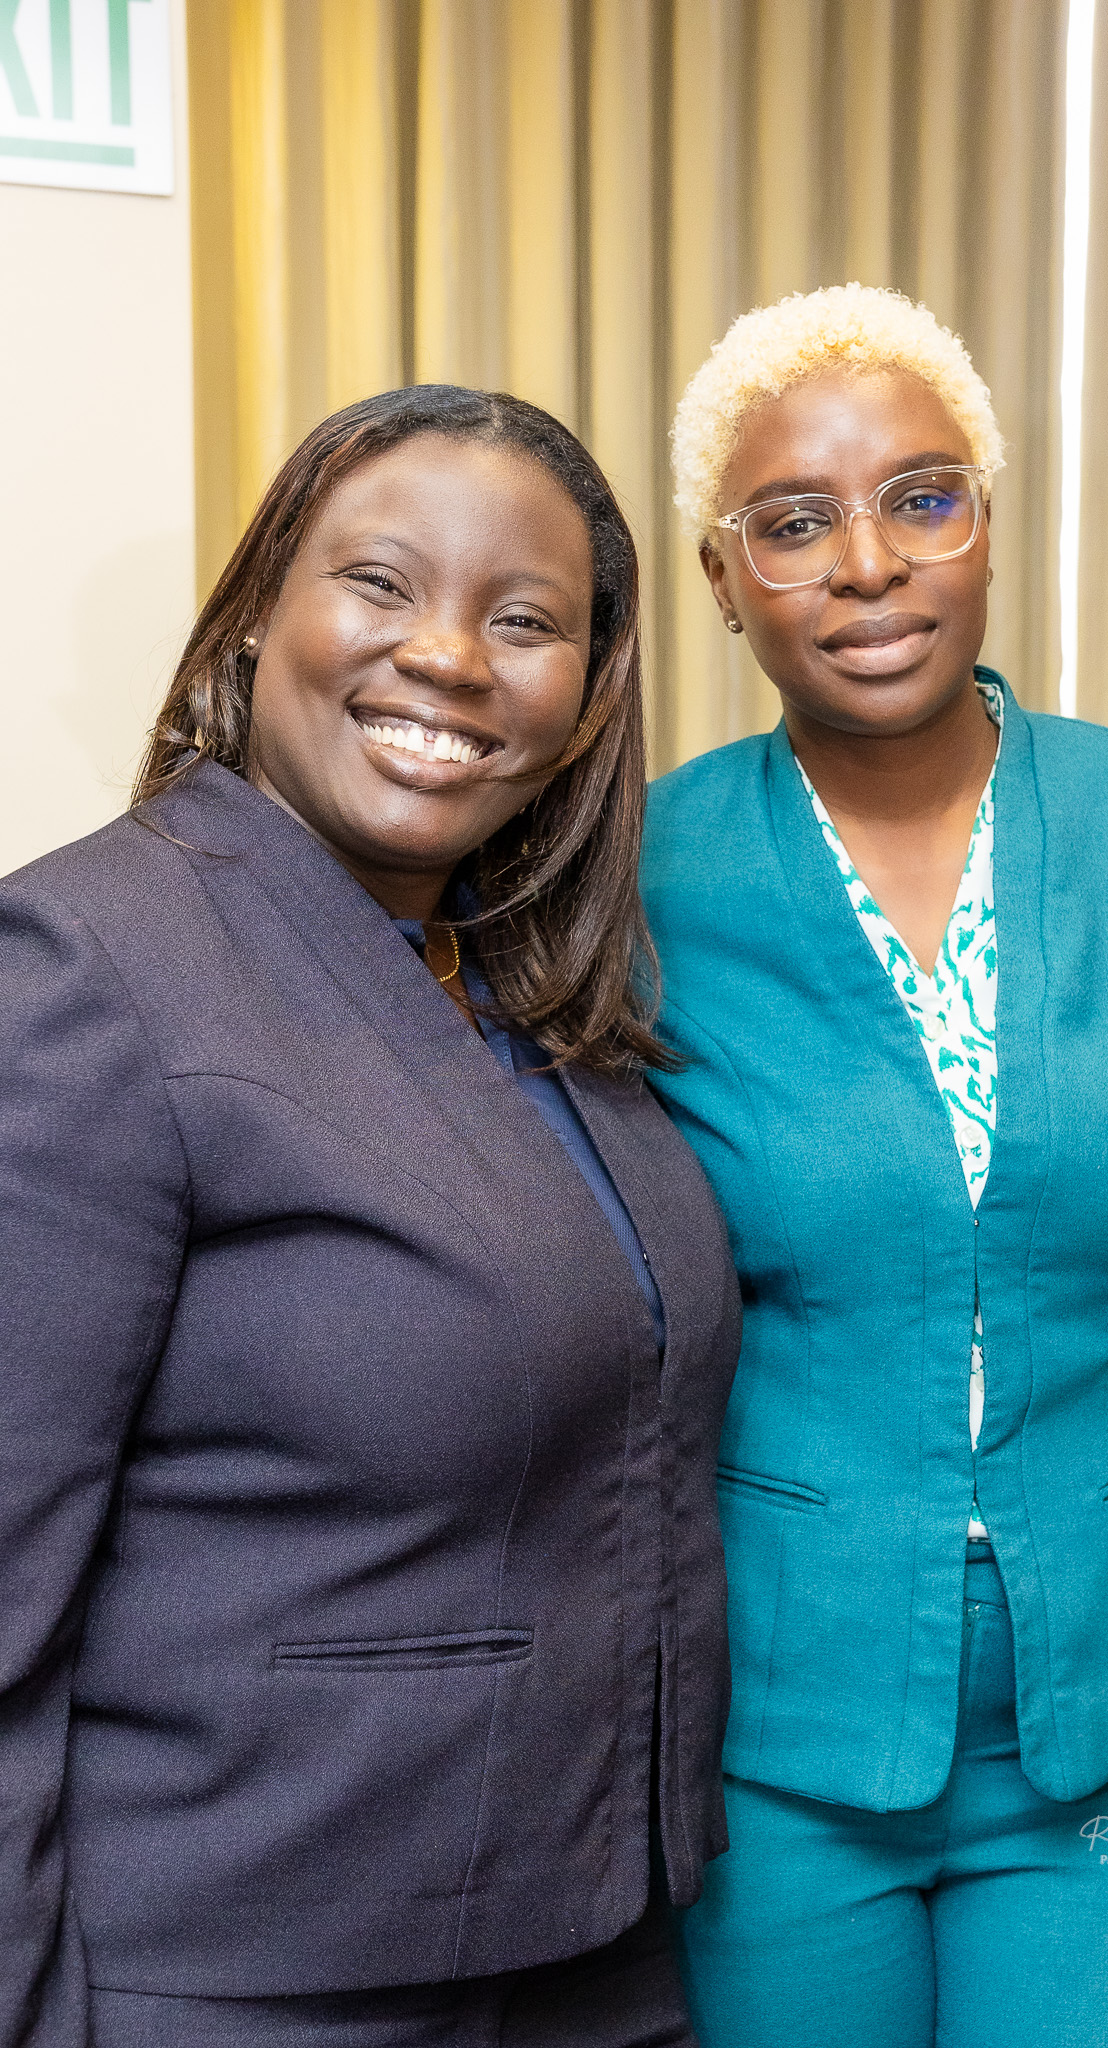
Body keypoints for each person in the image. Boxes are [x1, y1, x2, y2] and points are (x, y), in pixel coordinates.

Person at [0, 385, 740, 2048]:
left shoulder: (532, 991)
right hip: (243, 1974)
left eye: (525, 620)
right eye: (380, 584)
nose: (450, 656)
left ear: (589, 694)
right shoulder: (81, 970)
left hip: (590, 1942)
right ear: (258, 613)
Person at [639, 285, 1108, 2048]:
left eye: (922, 498)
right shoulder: (641, 872)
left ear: (988, 526)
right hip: (775, 1727)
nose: (867, 563)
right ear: (722, 578)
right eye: (792, 522)